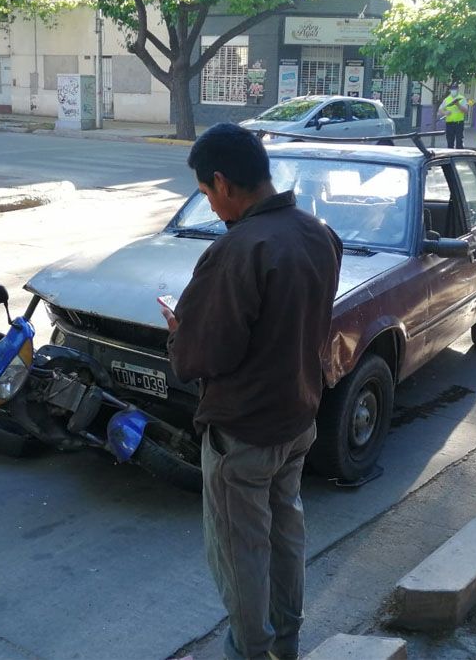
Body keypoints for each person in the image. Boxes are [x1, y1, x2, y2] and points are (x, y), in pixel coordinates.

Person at [162, 124, 341, 660]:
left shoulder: (239, 248)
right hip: (298, 418)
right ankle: (285, 640)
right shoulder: (318, 233)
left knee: (241, 549)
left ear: (222, 182)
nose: (211, 204)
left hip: (243, 431)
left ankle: (250, 650)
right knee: (286, 532)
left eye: (206, 193)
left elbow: (206, 355)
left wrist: (180, 332)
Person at [438, 82, 469, 148]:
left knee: (459, 142)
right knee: (450, 142)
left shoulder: (462, 98)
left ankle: (459, 156)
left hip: (459, 123)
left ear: (458, 89)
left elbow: (466, 111)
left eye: (455, 89)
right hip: (449, 123)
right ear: (450, 90)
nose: (453, 90)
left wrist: (458, 105)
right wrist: (445, 113)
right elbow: (440, 110)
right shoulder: (447, 99)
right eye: (452, 89)